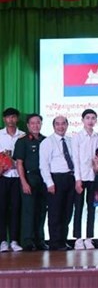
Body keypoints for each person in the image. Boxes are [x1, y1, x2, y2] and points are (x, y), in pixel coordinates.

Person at [39, 116, 75, 251]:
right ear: (54, 126)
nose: (61, 127)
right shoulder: (47, 142)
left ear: (67, 125)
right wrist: (49, 182)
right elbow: (43, 164)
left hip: (70, 179)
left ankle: (63, 240)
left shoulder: (71, 141)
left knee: (67, 212)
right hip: (56, 179)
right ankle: (54, 242)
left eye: (63, 124)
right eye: (58, 124)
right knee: (55, 212)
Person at [14, 113, 48, 251]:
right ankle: (27, 240)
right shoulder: (22, 141)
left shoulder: (46, 140)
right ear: (28, 125)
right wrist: (24, 182)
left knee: (41, 211)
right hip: (29, 179)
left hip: (44, 179)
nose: (36, 125)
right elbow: (19, 163)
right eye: (32, 123)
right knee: (29, 210)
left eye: (38, 122)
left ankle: (39, 239)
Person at [72, 109, 98, 250]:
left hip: (94, 177)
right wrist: (77, 179)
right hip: (81, 177)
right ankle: (77, 238)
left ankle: (89, 238)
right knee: (78, 208)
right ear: (82, 120)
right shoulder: (77, 136)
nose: (90, 120)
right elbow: (75, 159)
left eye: (93, 118)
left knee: (91, 208)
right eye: (87, 118)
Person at [0, 107, 25, 252]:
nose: (11, 120)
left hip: (18, 177)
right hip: (3, 177)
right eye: (8, 117)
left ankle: (15, 240)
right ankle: (3, 241)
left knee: (16, 209)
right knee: (2, 208)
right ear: (4, 119)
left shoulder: (23, 136)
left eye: (14, 117)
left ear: (17, 119)